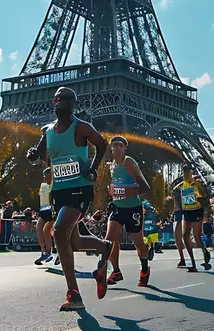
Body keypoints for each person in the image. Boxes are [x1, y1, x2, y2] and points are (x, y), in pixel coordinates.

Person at [24, 87, 112, 310]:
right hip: (59, 191)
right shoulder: (48, 131)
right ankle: (104, 247)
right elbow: (39, 155)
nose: (58, 103)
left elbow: (102, 144)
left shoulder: (81, 127)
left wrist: (93, 168)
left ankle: (74, 293)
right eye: (56, 100)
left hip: (80, 188)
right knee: (74, 242)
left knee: (60, 231)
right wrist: (32, 155)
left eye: (62, 100)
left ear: (72, 104)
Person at [103, 136, 154, 287]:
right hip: (117, 207)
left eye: (120, 145)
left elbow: (145, 187)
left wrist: (125, 192)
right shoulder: (112, 165)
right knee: (110, 238)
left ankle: (144, 268)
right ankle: (116, 271)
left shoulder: (129, 162)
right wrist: (112, 192)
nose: (117, 148)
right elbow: (116, 186)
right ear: (111, 148)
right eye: (115, 145)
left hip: (133, 208)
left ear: (125, 148)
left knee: (138, 243)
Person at [172, 165, 211, 272]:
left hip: (197, 210)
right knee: (185, 235)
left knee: (197, 236)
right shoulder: (181, 185)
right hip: (187, 212)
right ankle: (193, 263)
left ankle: (204, 251)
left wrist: (205, 212)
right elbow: (178, 197)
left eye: (187, 172)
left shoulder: (197, 183)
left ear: (191, 173)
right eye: (184, 173)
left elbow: (206, 196)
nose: (185, 175)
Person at [34, 167, 56, 265]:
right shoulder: (43, 185)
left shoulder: (54, 184)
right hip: (43, 210)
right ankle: (43, 252)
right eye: (44, 177)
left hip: (51, 211)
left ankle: (49, 251)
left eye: (47, 176)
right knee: (38, 229)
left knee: (46, 231)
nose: (45, 178)